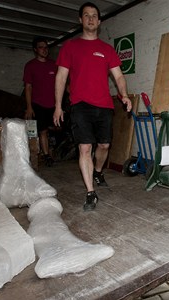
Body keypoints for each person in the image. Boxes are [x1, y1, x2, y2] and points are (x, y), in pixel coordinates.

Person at [53, 2, 132, 211]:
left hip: (104, 105)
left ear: (99, 21)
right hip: (80, 105)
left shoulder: (106, 49)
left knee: (104, 145)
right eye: (86, 15)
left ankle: (98, 171)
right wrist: (58, 106)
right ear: (81, 20)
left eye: (94, 15)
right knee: (85, 147)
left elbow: (119, 75)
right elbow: (61, 77)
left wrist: (124, 95)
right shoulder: (70, 47)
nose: (90, 19)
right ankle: (90, 192)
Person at [23, 36, 57, 167]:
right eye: (41, 47)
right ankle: (47, 155)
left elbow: (61, 83)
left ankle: (52, 151)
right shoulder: (30, 66)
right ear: (35, 50)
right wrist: (29, 107)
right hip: (38, 103)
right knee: (43, 130)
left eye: (46, 47)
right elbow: (28, 87)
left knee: (55, 128)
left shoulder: (53, 65)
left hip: (54, 104)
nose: (44, 49)